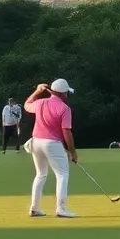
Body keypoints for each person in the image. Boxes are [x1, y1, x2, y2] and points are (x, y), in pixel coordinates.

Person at [24, 78, 78, 218]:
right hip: (52, 144)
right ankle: (61, 209)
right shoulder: (65, 108)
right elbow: (66, 131)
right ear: (63, 94)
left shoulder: (41, 102)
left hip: (36, 142)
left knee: (40, 174)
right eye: (66, 93)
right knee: (62, 174)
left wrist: (37, 91)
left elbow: (27, 105)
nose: (67, 95)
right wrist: (73, 152)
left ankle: (34, 208)